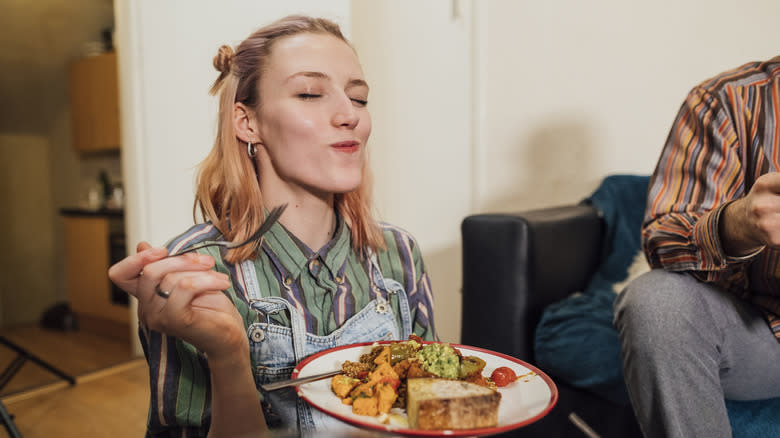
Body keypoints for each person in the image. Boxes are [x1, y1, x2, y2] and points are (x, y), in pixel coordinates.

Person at [108, 15, 437, 437]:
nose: (349, 115)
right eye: (309, 93)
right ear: (247, 122)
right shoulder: (198, 275)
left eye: (359, 98)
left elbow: (432, 409)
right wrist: (228, 353)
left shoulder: (400, 253)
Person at [613, 56, 780, 437]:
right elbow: (661, 239)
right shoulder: (724, 101)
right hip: (763, 336)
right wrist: (740, 222)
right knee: (657, 302)